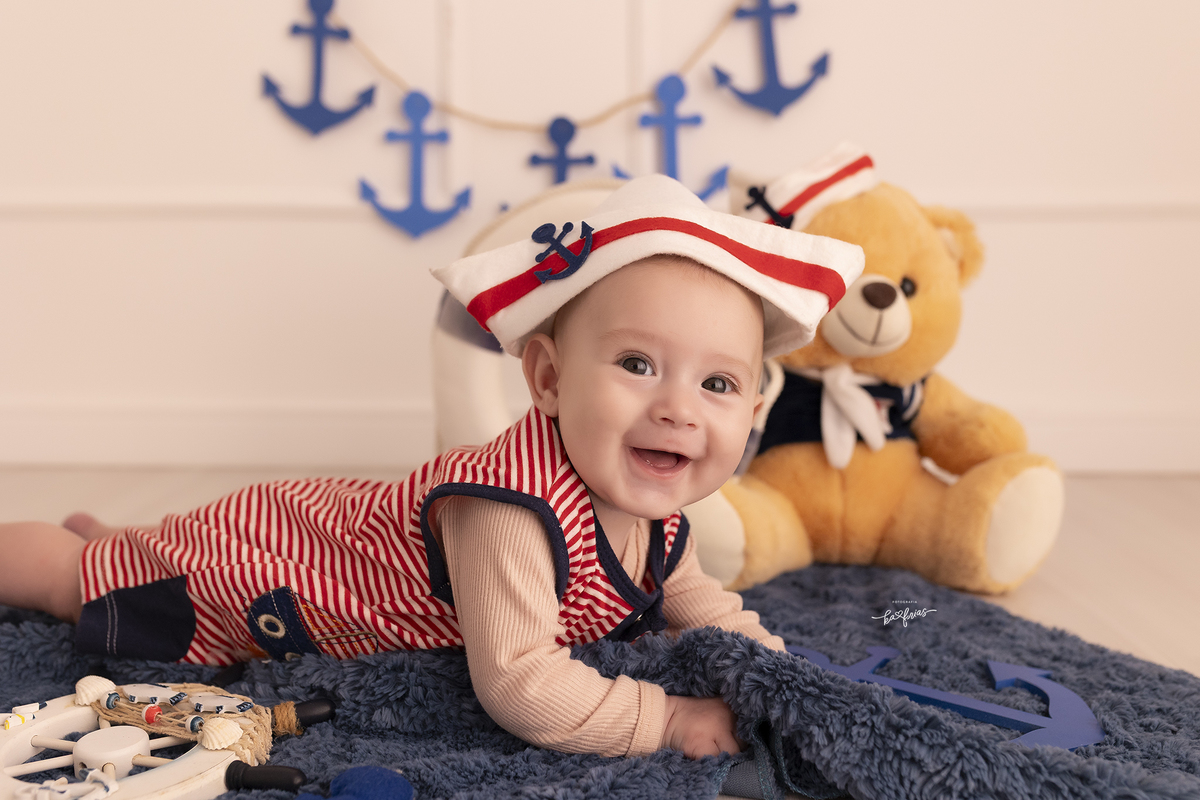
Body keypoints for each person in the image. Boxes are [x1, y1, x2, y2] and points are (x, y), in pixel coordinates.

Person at [0, 175, 863, 759]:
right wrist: (667, 720)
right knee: (84, 579)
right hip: (270, 572)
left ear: (754, 411)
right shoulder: (512, 510)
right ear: (548, 378)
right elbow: (521, 683)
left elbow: (697, 600)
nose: (678, 407)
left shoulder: (654, 510)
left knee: (146, 545)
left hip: (327, 517)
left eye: (717, 384)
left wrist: (770, 669)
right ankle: (77, 548)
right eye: (638, 364)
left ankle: (122, 537)